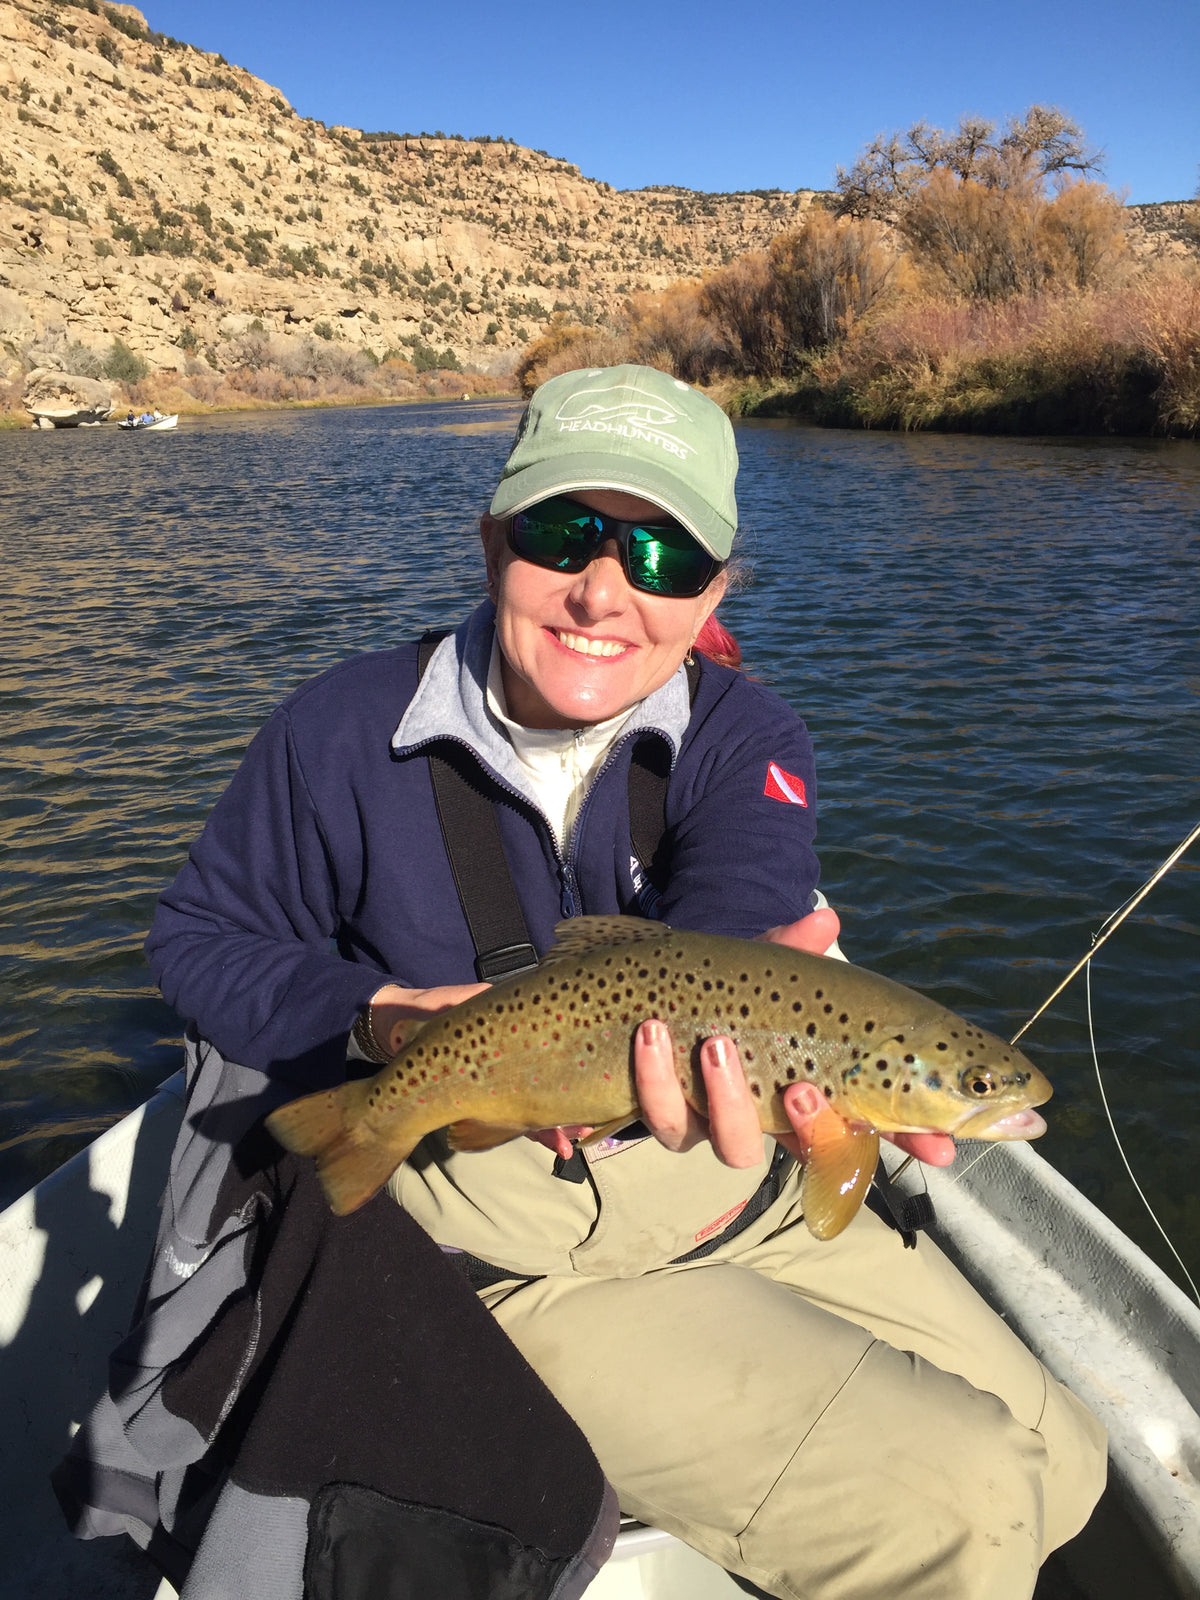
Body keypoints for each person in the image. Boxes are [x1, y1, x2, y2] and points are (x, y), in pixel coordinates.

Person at [134, 365, 1103, 1597]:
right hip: (501, 1246)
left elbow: (736, 934)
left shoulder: (748, 738)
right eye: (562, 532)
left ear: (714, 591)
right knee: (962, 1507)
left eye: (663, 557)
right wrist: (370, 1015)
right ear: (492, 536)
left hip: (716, 1186)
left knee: (1070, 1458)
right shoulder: (336, 733)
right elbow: (198, 938)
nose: (605, 588)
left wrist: (788, 1099)